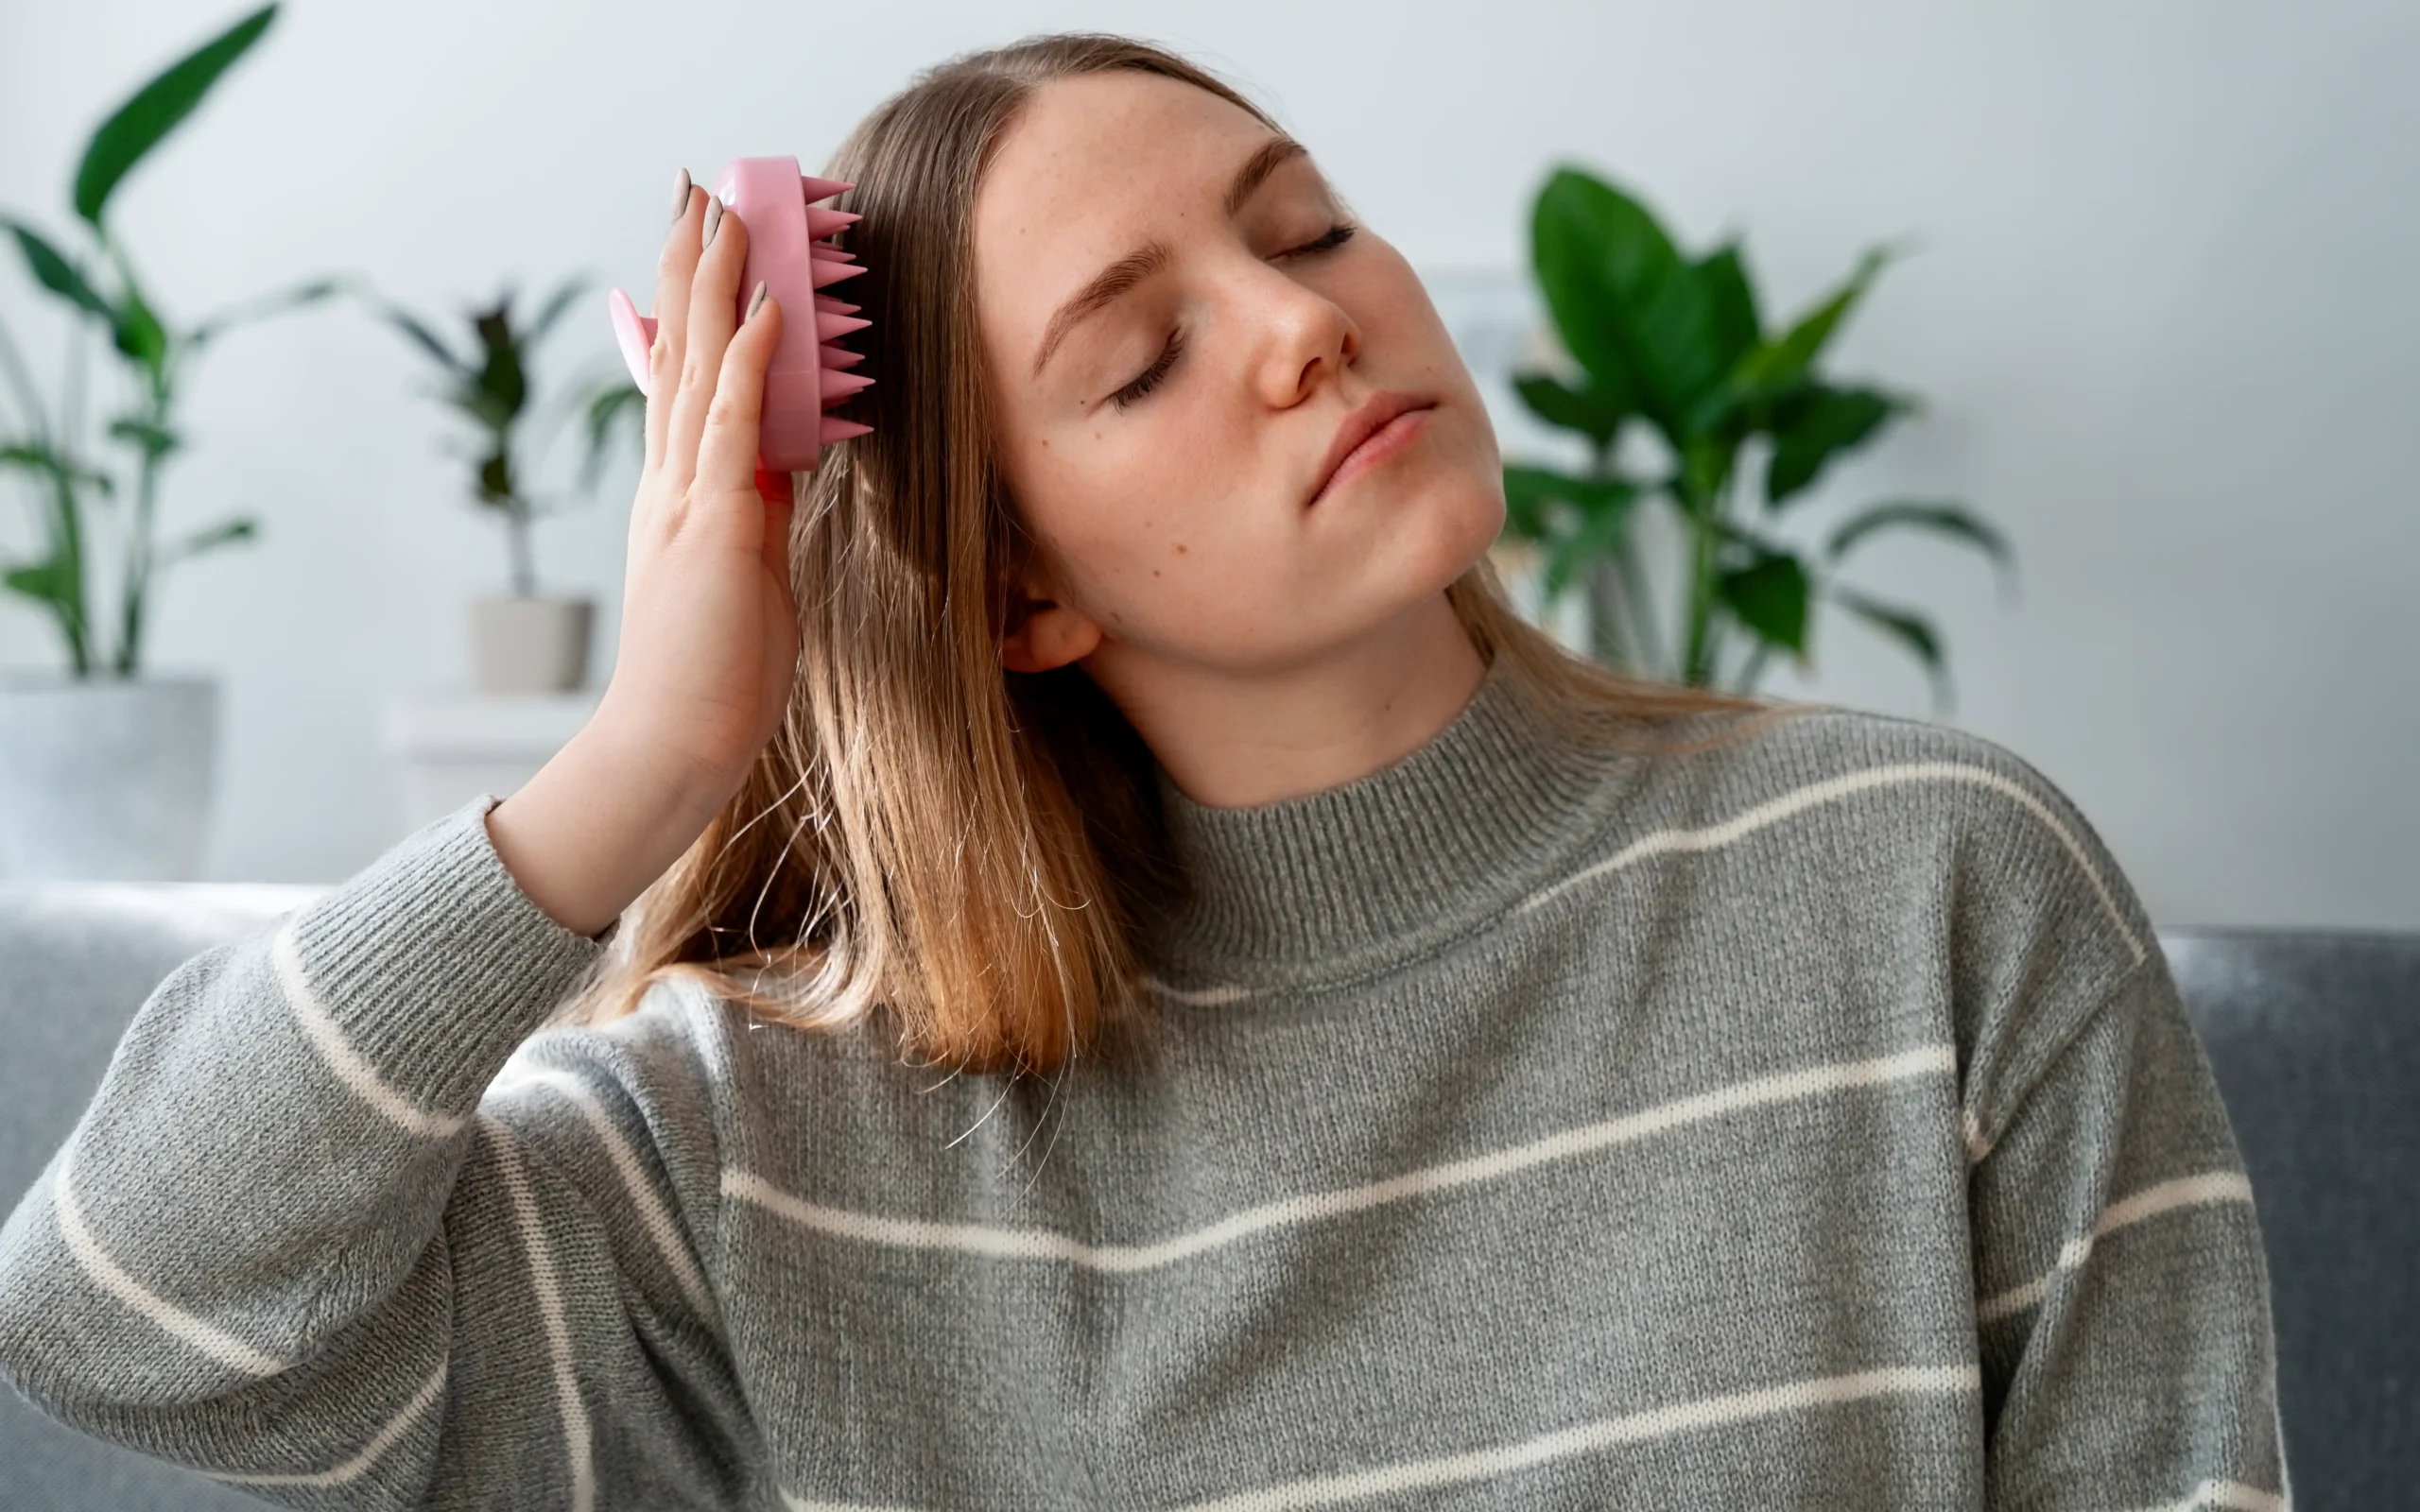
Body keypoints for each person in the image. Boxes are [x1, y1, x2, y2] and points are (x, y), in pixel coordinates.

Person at [0, 30, 2287, 1511]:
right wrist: (643, 757)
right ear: (1016, 598)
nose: (1307, 323)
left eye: (1301, 226)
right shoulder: (771, 1146)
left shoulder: (1923, 883)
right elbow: (129, 1312)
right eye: (1139, 357)